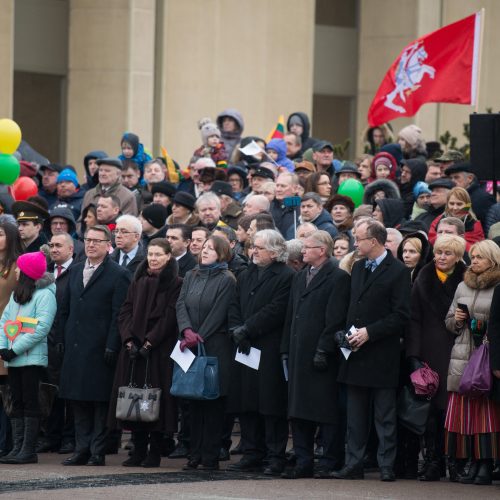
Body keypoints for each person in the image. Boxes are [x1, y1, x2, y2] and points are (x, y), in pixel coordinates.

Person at [333, 219, 411, 482]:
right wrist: (346, 332)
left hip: (382, 354)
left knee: (384, 415)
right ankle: (353, 463)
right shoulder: (357, 268)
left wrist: (371, 332)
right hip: (356, 353)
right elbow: (353, 306)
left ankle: (386, 464)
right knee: (355, 415)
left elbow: (401, 316)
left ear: (374, 241)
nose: (355, 244)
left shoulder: (398, 271)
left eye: (359, 239)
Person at [57, 225, 130, 466]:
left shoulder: (118, 274)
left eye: (97, 241)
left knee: (99, 402)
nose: (90, 245)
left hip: (100, 348)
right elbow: (65, 309)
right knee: (77, 400)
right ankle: (81, 448)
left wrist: (112, 344)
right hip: (75, 346)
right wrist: (62, 339)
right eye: (88, 240)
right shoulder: (76, 270)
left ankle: (97, 451)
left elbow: (118, 313)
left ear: (108, 245)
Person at [281, 230, 350, 479]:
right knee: (298, 411)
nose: (303, 251)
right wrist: (285, 349)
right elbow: (291, 315)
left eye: (307, 247)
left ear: (322, 250)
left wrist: (323, 349)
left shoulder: (338, 277)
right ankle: (303, 460)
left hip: (322, 356)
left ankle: (329, 460)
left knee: (325, 411)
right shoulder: (300, 277)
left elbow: (335, 318)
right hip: (299, 352)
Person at [109, 238, 182, 468]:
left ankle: (155, 451)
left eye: (158, 254)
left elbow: (169, 317)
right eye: (150, 254)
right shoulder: (138, 279)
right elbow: (125, 310)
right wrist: (129, 340)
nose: (153, 258)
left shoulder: (176, 283)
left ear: (168, 256)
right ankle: (138, 450)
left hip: (157, 352)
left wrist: (149, 343)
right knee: (133, 398)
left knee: (154, 401)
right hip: (133, 350)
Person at [227, 230, 293, 476]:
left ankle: (274, 455)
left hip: (268, 346)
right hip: (244, 346)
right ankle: (252, 452)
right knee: (246, 401)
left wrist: (248, 328)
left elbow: (276, 310)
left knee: (270, 404)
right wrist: (236, 328)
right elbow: (234, 303)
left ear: (275, 252)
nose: (253, 251)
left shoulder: (286, 276)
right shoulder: (246, 273)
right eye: (252, 247)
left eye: (259, 247)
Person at [406, 234, 466, 481]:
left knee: (453, 410)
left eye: (448, 253)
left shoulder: (466, 278)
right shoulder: (424, 277)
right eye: (439, 252)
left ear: (458, 257)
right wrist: (414, 355)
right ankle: (433, 461)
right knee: (431, 411)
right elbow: (414, 319)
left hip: (459, 349)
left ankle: (455, 461)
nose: (442, 257)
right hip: (430, 350)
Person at [176, 235, 236, 470]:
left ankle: (210, 455)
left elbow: (220, 311)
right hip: (191, 344)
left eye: (211, 248)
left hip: (214, 347)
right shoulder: (191, 275)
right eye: (204, 248)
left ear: (221, 253)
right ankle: (194, 453)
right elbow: (180, 303)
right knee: (193, 403)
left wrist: (199, 335)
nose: (205, 251)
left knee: (212, 403)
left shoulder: (227, 279)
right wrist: (186, 329)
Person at [444, 240, 500, 485]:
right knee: (465, 414)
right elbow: (447, 321)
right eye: (473, 256)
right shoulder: (461, 285)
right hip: (463, 354)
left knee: (486, 414)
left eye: (480, 257)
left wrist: (482, 325)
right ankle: (470, 463)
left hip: (486, 353)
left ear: (493, 260)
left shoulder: (498, 286)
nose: (474, 260)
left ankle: (486, 465)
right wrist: (456, 319)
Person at [0, 252, 57, 464]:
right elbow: (5, 322)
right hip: (13, 358)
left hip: (30, 359)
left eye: (19, 267)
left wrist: (14, 349)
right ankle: (17, 448)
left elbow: (40, 327)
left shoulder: (45, 295)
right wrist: (3, 347)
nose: (15, 269)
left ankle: (28, 449)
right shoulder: (17, 294)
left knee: (31, 402)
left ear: (26, 272)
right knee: (16, 402)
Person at [445, 162, 495, 229]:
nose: (452, 181)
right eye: (451, 178)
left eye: (456, 177)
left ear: (470, 178)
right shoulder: (451, 196)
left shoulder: (483, 199)